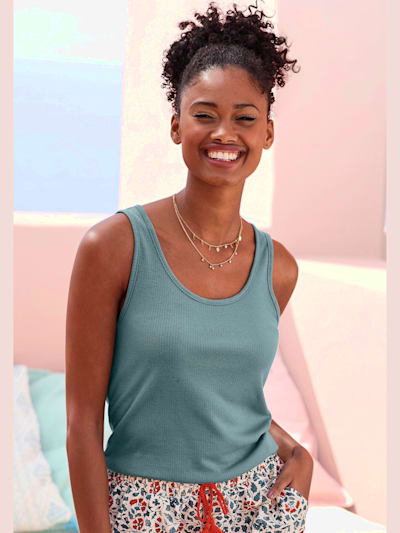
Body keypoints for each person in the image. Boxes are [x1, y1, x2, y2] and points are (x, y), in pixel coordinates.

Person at [65, 1, 313, 532]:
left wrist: (297, 452)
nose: (225, 133)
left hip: (256, 502)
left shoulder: (279, 268)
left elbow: (224, 398)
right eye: (204, 114)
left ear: (267, 133)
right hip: (143, 509)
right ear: (177, 125)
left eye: (245, 118)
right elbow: (82, 422)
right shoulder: (113, 247)